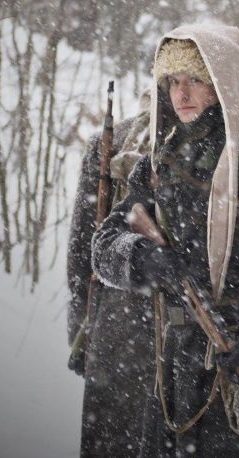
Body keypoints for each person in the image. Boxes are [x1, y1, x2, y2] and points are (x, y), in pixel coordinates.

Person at [91, 24, 239, 457]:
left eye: (195, 79)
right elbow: (104, 247)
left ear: (223, 82)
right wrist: (144, 258)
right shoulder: (157, 164)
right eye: (174, 82)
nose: (182, 94)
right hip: (177, 352)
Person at [68, 90, 155, 458]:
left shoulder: (118, 140)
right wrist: (81, 332)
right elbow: (84, 251)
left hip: (119, 327)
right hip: (125, 326)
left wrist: (80, 331)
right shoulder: (110, 144)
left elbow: (79, 256)